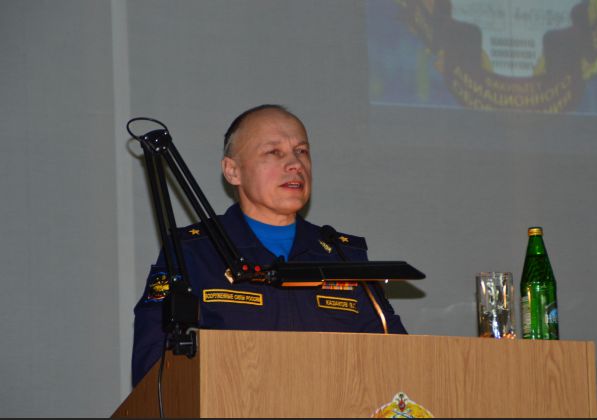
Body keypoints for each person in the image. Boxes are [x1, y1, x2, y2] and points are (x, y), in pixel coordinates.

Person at [131, 104, 407, 387]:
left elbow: (401, 361)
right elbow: (153, 369)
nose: (295, 164)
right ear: (232, 171)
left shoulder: (344, 255)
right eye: (274, 152)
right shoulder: (192, 253)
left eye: (301, 151)